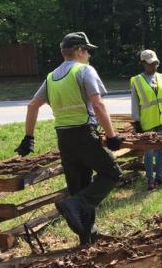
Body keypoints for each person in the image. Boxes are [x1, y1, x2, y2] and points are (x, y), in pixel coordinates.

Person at [15, 32, 123, 246]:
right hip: (84, 133)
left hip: (64, 139)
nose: (89, 55)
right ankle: (76, 205)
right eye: (88, 50)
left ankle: (87, 237)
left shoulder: (51, 77)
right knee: (111, 173)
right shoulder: (84, 71)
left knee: (80, 185)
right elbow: (98, 104)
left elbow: (32, 106)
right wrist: (112, 136)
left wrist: (28, 137)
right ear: (79, 50)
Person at [130, 49, 162, 190]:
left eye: (155, 63)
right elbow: (135, 103)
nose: (154, 66)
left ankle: (159, 176)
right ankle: (150, 179)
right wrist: (136, 121)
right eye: (150, 63)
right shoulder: (136, 80)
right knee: (149, 151)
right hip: (147, 121)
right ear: (143, 63)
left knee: (161, 149)